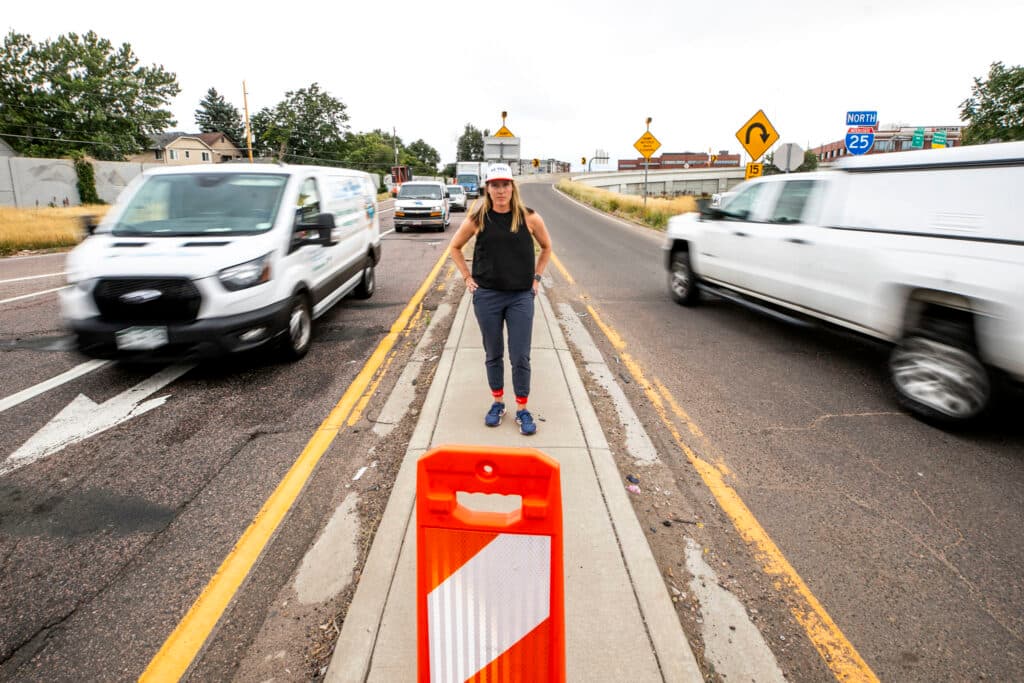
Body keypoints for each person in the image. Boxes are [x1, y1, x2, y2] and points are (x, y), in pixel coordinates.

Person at [449, 163, 552, 435]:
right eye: (495, 185)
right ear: (488, 189)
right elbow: (455, 247)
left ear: (512, 187)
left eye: (505, 184)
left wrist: (537, 279)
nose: (500, 190)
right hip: (487, 297)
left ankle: (522, 408)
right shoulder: (478, 218)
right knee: (493, 353)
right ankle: (498, 403)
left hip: (520, 297)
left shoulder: (529, 218)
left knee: (520, 356)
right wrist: (467, 278)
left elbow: (546, 248)